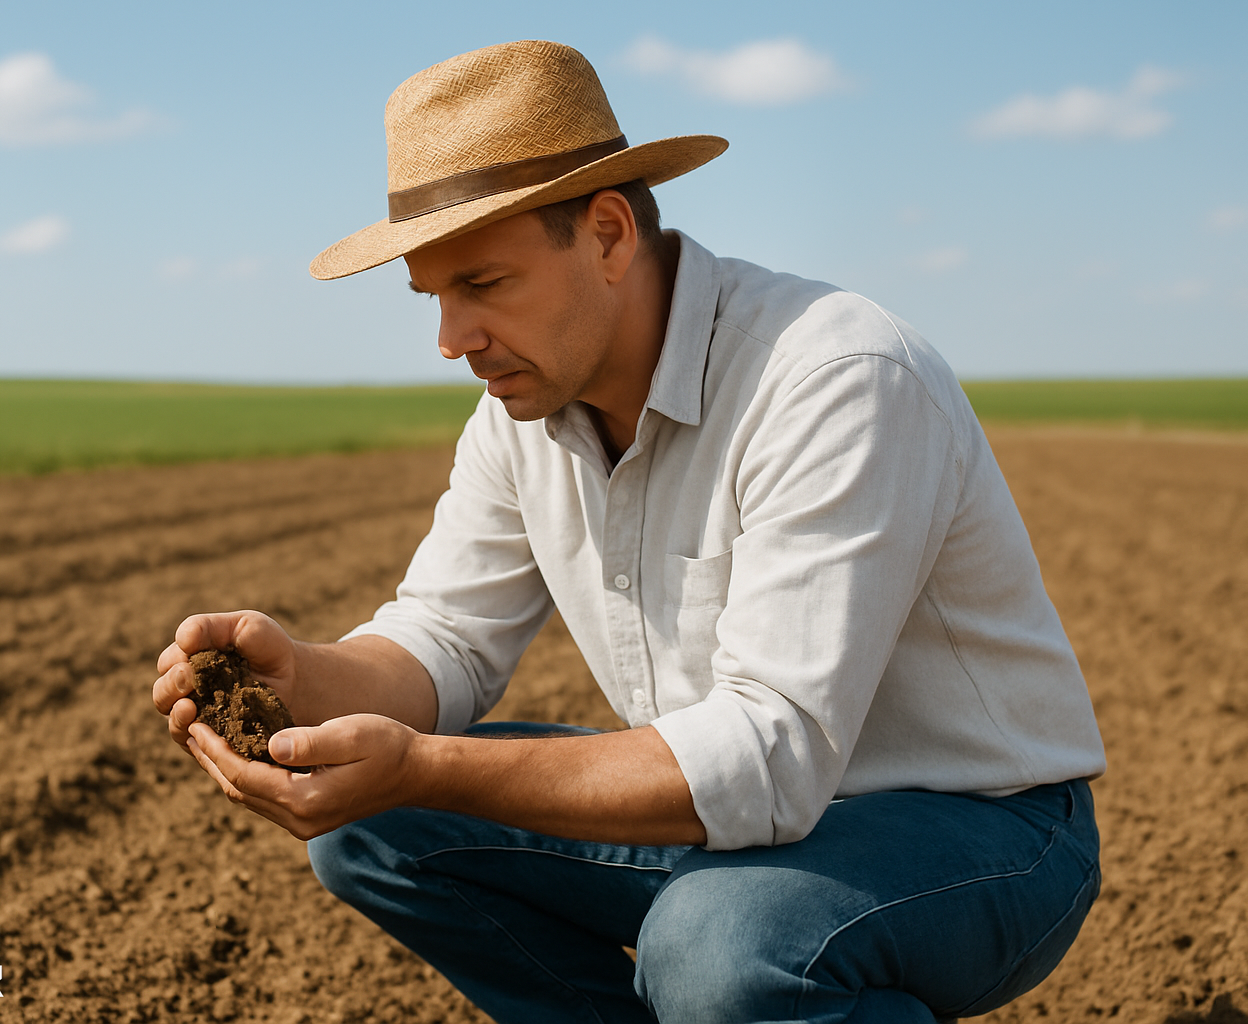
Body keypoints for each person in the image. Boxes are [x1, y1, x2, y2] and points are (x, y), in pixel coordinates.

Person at [152, 39, 1106, 1024]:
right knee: (371, 825)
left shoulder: (833, 376)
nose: (450, 338)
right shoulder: (519, 416)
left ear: (608, 233)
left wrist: (423, 761)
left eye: (482, 282)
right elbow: (443, 641)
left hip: (984, 832)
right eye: (434, 296)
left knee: (716, 944)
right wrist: (298, 680)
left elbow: (769, 755)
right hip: (736, 828)